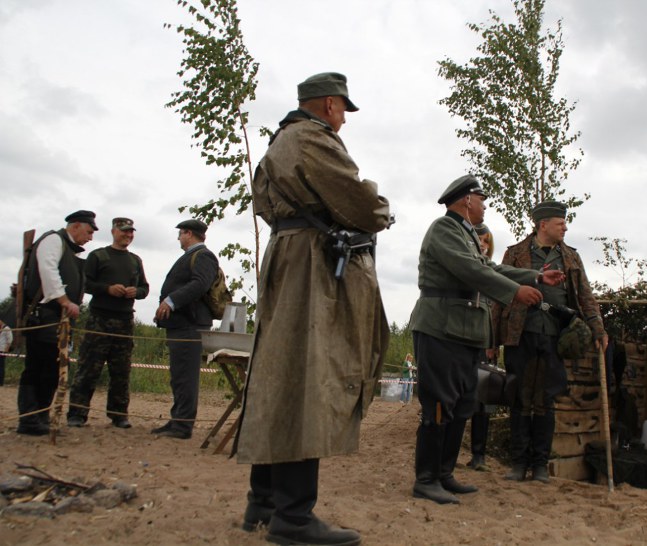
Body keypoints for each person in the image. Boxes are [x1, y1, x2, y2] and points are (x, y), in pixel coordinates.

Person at [235, 72, 391, 546]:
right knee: (309, 378)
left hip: (289, 258)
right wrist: (380, 204)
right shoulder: (312, 139)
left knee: (282, 375)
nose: (344, 118)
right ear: (328, 104)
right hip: (311, 266)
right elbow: (365, 207)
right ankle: (294, 517)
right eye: (343, 108)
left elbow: (265, 205)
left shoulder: (279, 141)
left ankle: (263, 502)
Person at [408, 175, 566, 505]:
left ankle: (444, 474)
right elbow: (472, 271)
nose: (484, 206)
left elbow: (489, 267)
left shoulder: (466, 234)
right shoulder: (444, 229)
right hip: (440, 327)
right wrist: (515, 292)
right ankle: (426, 479)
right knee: (439, 405)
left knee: (463, 404)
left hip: (463, 332)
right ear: (467, 200)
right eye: (481, 200)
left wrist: (536, 276)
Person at [492, 201, 607, 483]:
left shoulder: (571, 257)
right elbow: (499, 295)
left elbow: (585, 295)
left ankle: (540, 465)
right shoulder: (515, 253)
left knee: (546, 402)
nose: (565, 228)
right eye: (560, 223)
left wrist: (598, 329)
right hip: (520, 336)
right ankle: (518, 464)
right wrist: (492, 340)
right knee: (520, 400)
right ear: (543, 225)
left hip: (555, 338)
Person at [17, 210, 97, 435]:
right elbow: (48, 271)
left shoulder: (69, 249)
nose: (90, 237)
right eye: (89, 231)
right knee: (38, 367)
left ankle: (41, 416)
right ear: (76, 225)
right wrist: (64, 301)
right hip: (45, 316)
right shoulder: (54, 240)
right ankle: (29, 420)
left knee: (51, 369)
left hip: (58, 319)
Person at [67, 217, 149, 429]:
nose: (128, 235)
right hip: (99, 320)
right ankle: (77, 414)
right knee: (88, 368)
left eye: (131, 232)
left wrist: (136, 291)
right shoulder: (98, 256)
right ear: (113, 232)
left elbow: (145, 288)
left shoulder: (135, 260)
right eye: (124, 231)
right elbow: (85, 283)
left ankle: (119, 415)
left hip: (125, 321)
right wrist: (107, 289)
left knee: (121, 371)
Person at [152, 219, 218, 440]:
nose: (179, 238)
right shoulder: (192, 256)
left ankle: (182, 426)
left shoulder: (204, 256)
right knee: (179, 375)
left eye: (180, 233)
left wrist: (171, 301)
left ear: (189, 233)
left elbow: (200, 284)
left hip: (190, 325)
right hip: (182, 324)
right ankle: (177, 420)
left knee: (186, 376)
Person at [466, 222, 494, 472]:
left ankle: (479, 456)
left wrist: (493, 344)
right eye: (479, 240)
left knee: (482, 403)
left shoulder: (493, 274)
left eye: (487, 241)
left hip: (484, 346)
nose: (483, 245)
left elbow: (498, 313)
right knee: (453, 397)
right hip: (460, 341)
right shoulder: (460, 267)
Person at [0, 319, 12, 386]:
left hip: (2, 349)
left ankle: (0, 382)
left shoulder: (7, 328)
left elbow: (10, 339)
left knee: (1, 366)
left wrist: (6, 349)